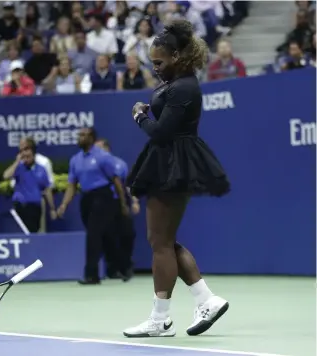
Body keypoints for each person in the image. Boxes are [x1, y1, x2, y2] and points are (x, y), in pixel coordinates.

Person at [123, 19, 230, 338]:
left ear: (177, 57)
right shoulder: (178, 82)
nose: (155, 68)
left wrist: (140, 115)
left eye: (159, 62)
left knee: (160, 243)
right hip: (169, 161)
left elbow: (161, 133)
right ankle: (206, 300)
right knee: (163, 242)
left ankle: (160, 319)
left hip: (174, 163)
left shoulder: (184, 86)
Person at [56, 128, 128, 285]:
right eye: (79, 135)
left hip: (103, 196)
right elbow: (72, 185)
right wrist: (64, 205)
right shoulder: (75, 159)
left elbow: (116, 180)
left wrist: (122, 203)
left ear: (91, 138)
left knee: (93, 235)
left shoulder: (103, 156)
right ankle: (120, 268)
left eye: (83, 135)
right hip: (86, 198)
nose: (80, 138)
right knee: (104, 235)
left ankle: (91, 274)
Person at [95, 138, 140, 281]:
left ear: (107, 149)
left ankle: (126, 267)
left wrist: (134, 201)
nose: (96, 152)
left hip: (121, 203)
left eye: (99, 148)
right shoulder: (93, 165)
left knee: (127, 234)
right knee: (108, 237)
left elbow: (128, 185)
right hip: (104, 205)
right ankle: (112, 269)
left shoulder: (120, 164)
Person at [3, 145, 57, 233]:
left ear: (34, 156)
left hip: (35, 208)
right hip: (21, 206)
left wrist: (52, 208)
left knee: (33, 233)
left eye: (28, 157)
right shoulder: (18, 168)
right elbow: (6, 176)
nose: (26, 159)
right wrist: (17, 162)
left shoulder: (41, 169)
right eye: (24, 157)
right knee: (21, 233)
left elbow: (47, 190)